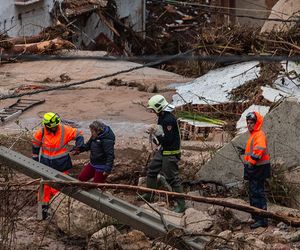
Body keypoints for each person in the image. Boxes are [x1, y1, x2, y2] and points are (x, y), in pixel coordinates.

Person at [139, 94, 186, 213]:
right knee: (152, 170)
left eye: (153, 109)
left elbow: (168, 139)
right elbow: (162, 139)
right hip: (164, 149)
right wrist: (155, 134)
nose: (152, 111)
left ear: (158, 107)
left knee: (172, 178)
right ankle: (149, 194)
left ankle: (181, 204)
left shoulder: (169, 120)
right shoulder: (162, 117)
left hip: (171, 152)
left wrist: (157, 133)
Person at [32, 112, 84, 219]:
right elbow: (35, 146)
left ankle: (60, 215)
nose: (56, 127)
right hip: (45, 166)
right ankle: (42, 215)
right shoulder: (41, 133)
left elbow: (79, 134)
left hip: (61, 166)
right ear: (47, 126)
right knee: (44, 191)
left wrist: (78, 146)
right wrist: (35, 160)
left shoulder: (64, 130)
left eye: (57, 125)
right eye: (54, 126)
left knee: (60, 191)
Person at [238, 111, 271, 229]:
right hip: (255, 169)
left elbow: (259, 150)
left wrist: (251, 163)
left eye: (251, 122)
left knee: (257, 194)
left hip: (258, 169)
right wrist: (244, 152)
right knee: (254, 193)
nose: (249, 124)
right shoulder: (254, 135)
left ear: (257, 123)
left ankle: (261, 220)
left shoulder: (259, 134)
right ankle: (257, 218)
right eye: (248, 122)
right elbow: (254, 150)